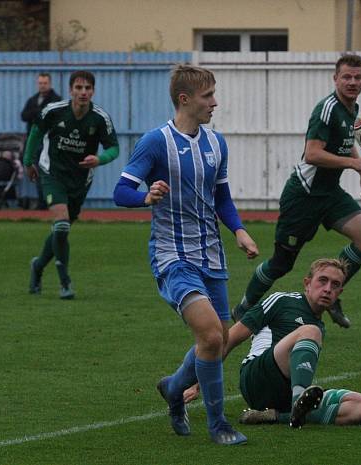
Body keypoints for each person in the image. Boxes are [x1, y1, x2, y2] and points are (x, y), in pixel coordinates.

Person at [112, 64, 259, 445]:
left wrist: (239, 231)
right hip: (172, 256)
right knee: (211, 335)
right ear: (185, 99)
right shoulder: (156, 142)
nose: (215, 102)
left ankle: (175, 389)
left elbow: (222, 197)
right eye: (208, 95)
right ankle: (217, 424)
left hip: (211, 255)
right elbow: (121, 190)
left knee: (219, 340)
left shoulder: (216, 144)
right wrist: (146, 196)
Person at [233, 53, 361, 329]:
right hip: (303, 196)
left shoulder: (353, 109)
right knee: (281, 264)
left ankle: (332, 294)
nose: (352, 82)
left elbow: (346, 141)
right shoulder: (326, 109)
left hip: (330, 193)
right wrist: (354, 164)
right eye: (346, 76)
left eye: (357, 77)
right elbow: (312, 154)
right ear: (335, 78)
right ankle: (245, 307)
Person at [185, 258, 361, 428]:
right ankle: (298, 403)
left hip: (283, 395)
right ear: (307, 283)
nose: (328, 289)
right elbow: (230, 338)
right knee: (310, 330)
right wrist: (195, 382)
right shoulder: (282, 301)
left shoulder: (319, 324)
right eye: (322, 281)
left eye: (335, 285)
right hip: (257, 378)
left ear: (339, 292)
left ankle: (279, 416)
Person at [24, 70, 119, 299]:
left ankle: (37, 266)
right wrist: (28, 161)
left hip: (79, 180)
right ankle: (64, 282)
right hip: (52, 173)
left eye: (87, 88)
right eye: (78, 88)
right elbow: (36, 132)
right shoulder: (54, 111)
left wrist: (100, 159)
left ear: (93, 91)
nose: (83, 92)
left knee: (61, 228)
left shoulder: (100, 118)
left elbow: (113, 148)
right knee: (62, 225)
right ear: (70, 90)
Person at [21, 72, 62, 210]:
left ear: (50, 84)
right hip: (33, 141)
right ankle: (41, 202)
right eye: (40, 83)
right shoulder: (33, 99)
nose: (42, 86)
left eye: (45, 83)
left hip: (48, 142)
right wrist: (38, 112)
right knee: (35, 171)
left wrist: (37, 114)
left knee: (48, 172)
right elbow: (24, 115)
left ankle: (50, 201)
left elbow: (54, 118)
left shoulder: (56, 99)